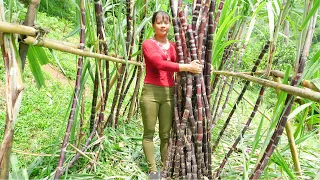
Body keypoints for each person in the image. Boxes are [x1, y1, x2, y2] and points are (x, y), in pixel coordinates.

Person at [140, 10, 202, 178]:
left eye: (166, 22)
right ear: (153, 25)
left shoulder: (174, 46)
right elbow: (159, 63)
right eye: (159, 22)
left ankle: (165, 168)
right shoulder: (148, 44)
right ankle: (153, 170)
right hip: (151, 92)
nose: (163, 25)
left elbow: (187, 58)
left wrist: (200, 66)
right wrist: (188, 67)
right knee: (149, 132)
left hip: (169, 93)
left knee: (166, 134)